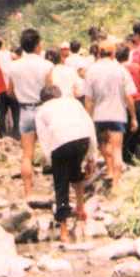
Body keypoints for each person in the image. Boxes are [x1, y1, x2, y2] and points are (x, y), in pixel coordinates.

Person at [35, 85, 97, 243]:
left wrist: (51, 162)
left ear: (43, 100)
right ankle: (81, 209)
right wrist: (91, 157)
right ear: (59, 94)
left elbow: (44, 139)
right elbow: (90, 125)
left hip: (60, 143)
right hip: (82, 138)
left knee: (61, 184)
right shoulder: (73, 102)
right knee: (76, 172)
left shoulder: (41, 111)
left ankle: (63, 230)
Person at [84, 39, 137, 192]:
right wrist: (133, 117)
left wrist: (88, 118)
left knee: (103, 147)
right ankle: (116, 183)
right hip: (117, 115)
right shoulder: (121, 70)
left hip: (99, 116)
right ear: (113, 53)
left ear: (99, 53)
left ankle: (110, 170)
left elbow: (88, 99)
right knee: (117, 149)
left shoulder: (91, 70)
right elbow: (129, 97)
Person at [7, 28, 54, 200]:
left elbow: (9, 92)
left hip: (25, 110)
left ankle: (28, 194)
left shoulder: (14, 66)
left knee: (27, 155)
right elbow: (50, 91)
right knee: (53, 150)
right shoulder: (47, 65)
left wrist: (21, 96)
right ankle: (57, 191)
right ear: (37, 44)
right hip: (44, 109)